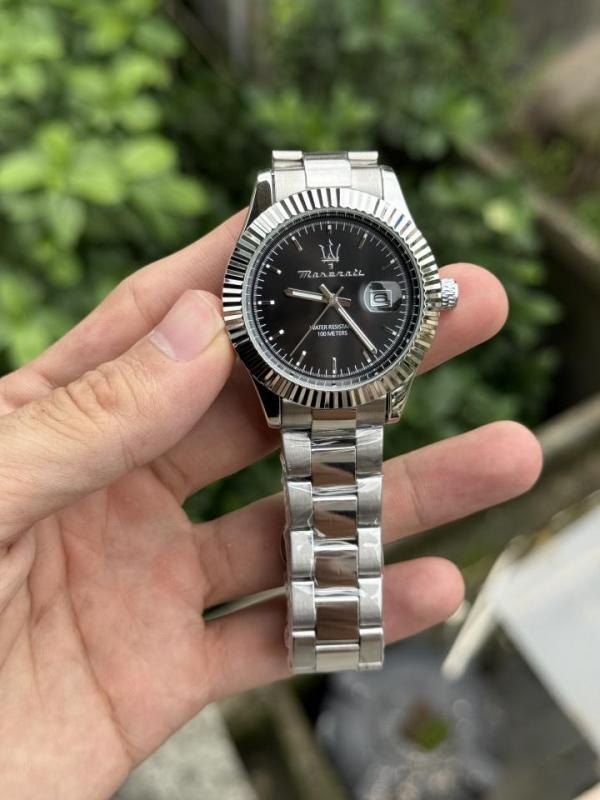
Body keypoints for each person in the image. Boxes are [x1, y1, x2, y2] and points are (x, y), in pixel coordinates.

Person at [0, 210, 542, 798]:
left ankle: (333, 629)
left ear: (432, 296)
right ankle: (332, 630)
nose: (333, 299)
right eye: (322, 295)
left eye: (341, 295)